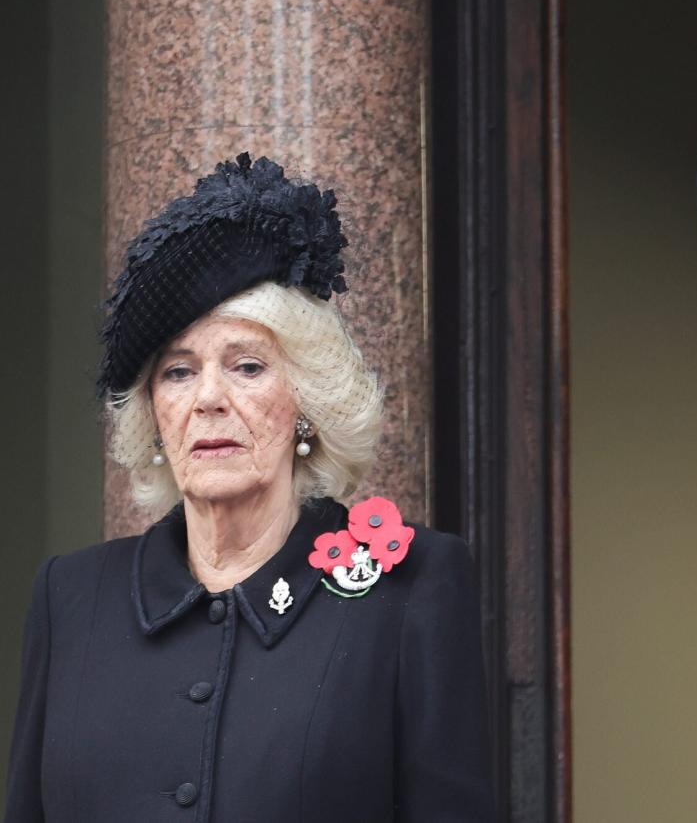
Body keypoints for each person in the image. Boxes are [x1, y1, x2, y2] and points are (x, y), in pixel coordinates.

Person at [4, 154, 494, 822]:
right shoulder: (69, 598)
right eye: (178, 373)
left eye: (248, 365)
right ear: (154, 416)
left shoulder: (412, 591)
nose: (209, 399)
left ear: (307, 402)